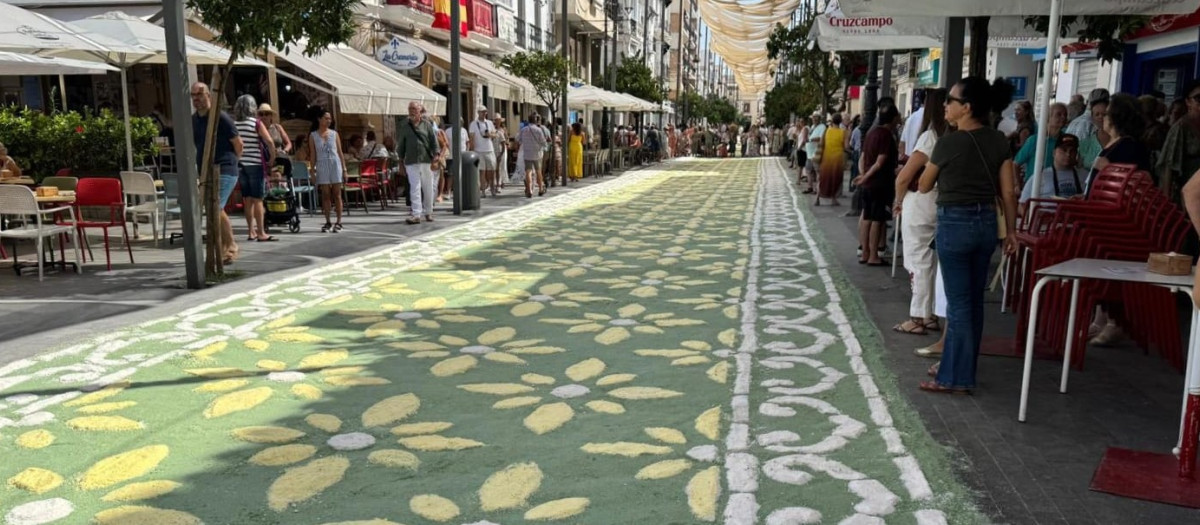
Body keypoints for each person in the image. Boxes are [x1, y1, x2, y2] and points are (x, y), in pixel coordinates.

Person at [916, 77, 1018, 395]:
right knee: (974, 302)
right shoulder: (999, 141)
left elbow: (923, 185)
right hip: (987, 223)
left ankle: (953, 376)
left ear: (967, 107)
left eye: (951, 100)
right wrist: (1012, 232)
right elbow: (1009, 191)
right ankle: (963, 369)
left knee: (959, 304)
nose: (946, 105)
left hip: (955, 224)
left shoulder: (948, 143)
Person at [893, 88, 949, 340]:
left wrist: (898, 199)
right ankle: (931, 313)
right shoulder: (951, 136)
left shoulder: (930, 137)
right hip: (939, 202)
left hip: (921, 202)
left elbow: (905, 175)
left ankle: (918, 316)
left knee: (918, 259)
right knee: (932, 260)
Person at [190, 82, 242, 264]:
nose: (196, 98)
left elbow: (238, 144)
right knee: (211, 208)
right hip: (206, 171)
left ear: (209, 96)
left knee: (215, 207)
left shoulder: (221, 118)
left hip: (226, 168)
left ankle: (231, 245)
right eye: (193, 95)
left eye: (200, 94)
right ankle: (222, 248)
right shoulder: (193, 120)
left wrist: (232, 162)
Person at [854, 105, 900, 266]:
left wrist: (862, 175)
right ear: (894, 118)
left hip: (869, 184)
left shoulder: (871, 133)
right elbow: (880, 162)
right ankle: (873, 255)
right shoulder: (886, 135)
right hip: (880, 183)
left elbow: (863, 157)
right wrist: (866, 176)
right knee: (877, 219)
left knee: (867, 216)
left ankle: (864, 252)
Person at [233, 95, 277, 242]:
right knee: (258, 199)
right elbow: (269, 141)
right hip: (255, 164)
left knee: (247, 199)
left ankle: (250, 231)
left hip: (240, 164)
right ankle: (261, 232)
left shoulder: (234, 124)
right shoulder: (256, 123)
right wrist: (271, 158)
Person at [1087, 93, 1152, 193]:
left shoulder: (1129, 146)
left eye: (1106, 113)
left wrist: (1109, 169)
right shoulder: (1117, 143)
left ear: (1116, 117)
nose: (1103, 117)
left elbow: (1140, 183)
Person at [1019, 134, 1083, 216]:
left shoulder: (1086, 176)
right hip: (1047, 224)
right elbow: (1022, 205)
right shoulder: (1039, 177)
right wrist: (1034, 216)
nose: (1068, 154)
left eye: (1072, 151)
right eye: (1064, 150)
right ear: (1054, 153)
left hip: (1076, 222)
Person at [398, 102, 441, 224]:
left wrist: (436, 156)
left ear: (420, 111)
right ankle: (416, 214)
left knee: (428, 187)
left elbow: (434, 142)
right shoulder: (404, 126)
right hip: (411, 161)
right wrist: (400, 162)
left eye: (414, 109)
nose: (411, 111)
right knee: (414, 187)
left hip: (426, 160)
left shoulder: (427, 125)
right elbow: (401, 145)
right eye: (410, 108)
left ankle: (428, 212)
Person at [1158, 80, 1200, 202]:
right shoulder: (1181, 127)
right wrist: (1167, 202)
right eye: (1198, 98)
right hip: (1187, 195)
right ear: (1188, 102)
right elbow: (1168, 166)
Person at [308, 111, 347, 232]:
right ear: (319, 119)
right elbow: (313, 154)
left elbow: (340, 152)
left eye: (330, 119)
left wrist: (344, 169)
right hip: (322, 164)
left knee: (337, 194)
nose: (328, 121)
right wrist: (312, 171)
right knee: (325, 194)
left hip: (335, 163)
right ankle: (328, 221)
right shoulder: (313, 135)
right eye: (326, 118)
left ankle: (339, 221)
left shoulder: (334, 134)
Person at [1013, 103, 1067, 184]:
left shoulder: (1065, 140)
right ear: (1048, 117)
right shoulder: (1035, 140)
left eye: (1065, 115)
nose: (1063, 117)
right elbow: (1015, 164)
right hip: (1034, 186)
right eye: (1058, 115)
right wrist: (1017, 184)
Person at [1067, 89, 1110, 169]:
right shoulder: (1085, 142)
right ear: (1092, 117)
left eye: (1104, 114)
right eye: (1097, 114)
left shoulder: (1117, 141)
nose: (1100, 117)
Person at [816, 114, 846, 206]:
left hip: (826, 158)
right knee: (835, 179)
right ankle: (833, 199)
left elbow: (821, 143)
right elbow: (846, 146)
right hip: (838, 159)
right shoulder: (844, 132)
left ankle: (817, 198)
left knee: (822, 178)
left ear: (832, 121)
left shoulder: (827, 131)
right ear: (840, 121)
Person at [470, 105, 499, 197]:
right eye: (482, 111)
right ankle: (482, 191)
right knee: (481, 171)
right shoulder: (473, 124)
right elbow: (471, 137)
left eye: (485, 111)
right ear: (478, 113)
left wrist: (489, 134)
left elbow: (495, 135)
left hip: (489, 149)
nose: (484, 113)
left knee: (492, 171)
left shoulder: (489, 123)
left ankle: (492, 188)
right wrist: (472, 150)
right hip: (478, 151)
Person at [258, 104, 292, 179]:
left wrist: (285, 151)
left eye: (266, 114)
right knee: (275, 176)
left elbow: (288, 143)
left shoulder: (277, 127)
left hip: (280, 158)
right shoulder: (257, 130)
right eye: (261, 114)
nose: (264, 116)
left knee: (277, 175)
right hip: (265, 160)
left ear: (271, 116)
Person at [520, 114, 548, 198]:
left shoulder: (523, 130)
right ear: (535, 121)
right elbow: (543, 142)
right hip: (537, 154)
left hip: (527, 153)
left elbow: (518, 139)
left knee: (528, 171)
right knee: (538, 171)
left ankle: (529, 191)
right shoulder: (538, 130)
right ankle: (540, 189)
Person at [803, 114, 826, 194]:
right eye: (813, 118)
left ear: (819, 119)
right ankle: (810, 187)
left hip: (816, 153)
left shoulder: (822, 126)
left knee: (817, 171)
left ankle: (817, 189)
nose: (814, 119)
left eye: (816, 117)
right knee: (809, 171)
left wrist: (810, 139)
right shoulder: (812, 126)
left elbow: (821, 138)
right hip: (809, 153)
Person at [493, 117, 509, 190]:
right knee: (496, 167)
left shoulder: (503, 129)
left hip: (502, 148)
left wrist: (505, 143)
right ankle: (497, 182)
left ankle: (502, 181)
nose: (497, 122)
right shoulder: (492, 129)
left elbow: (506, 139)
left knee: (503, 165)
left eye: (498, 120)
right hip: (494, 149)